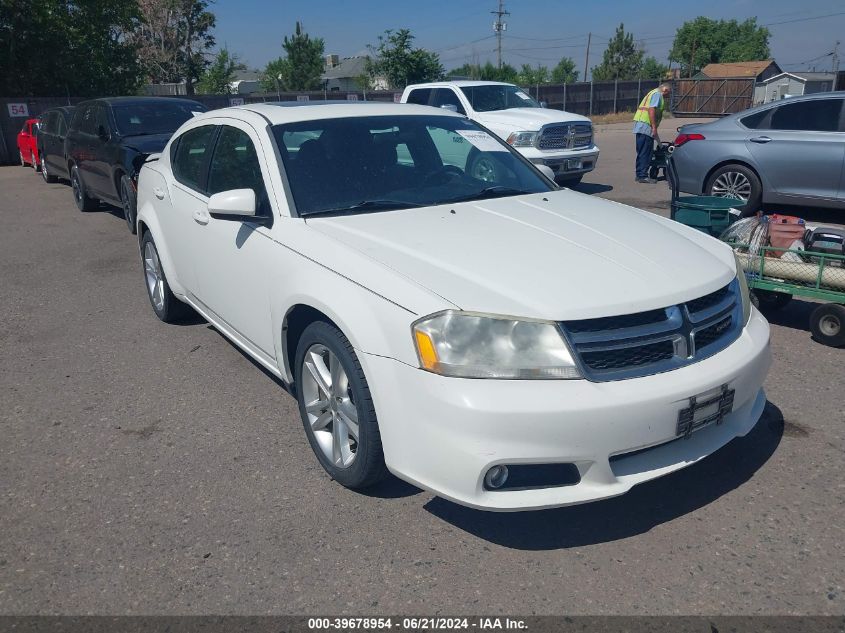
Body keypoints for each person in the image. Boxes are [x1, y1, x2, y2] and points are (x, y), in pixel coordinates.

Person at [632, 83, 671, 184]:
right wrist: (654, 127)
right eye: (668, 93)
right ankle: (643, 176)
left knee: (641, 151)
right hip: (646, 126)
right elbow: (651, 110)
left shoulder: (652, 92)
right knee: (646, 152)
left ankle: (639, 174)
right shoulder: (657, 95)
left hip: (640, 125)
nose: (668, 96)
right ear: (665, 90)